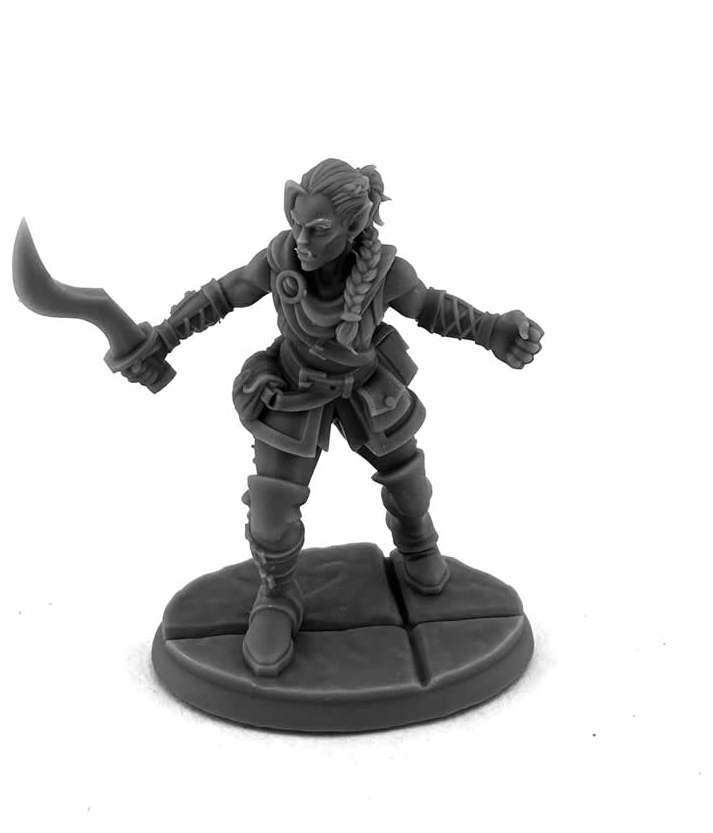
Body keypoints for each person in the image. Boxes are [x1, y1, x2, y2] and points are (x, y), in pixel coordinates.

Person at [118, 159, 543, 676]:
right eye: (297, 224)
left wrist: (493, 330)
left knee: (408, 482)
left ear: (353, 226)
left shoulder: (386, 273)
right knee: (271, 509)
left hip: (366, 387)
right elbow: (222, 296)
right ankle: (278, 595)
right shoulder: (279, 263)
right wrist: (162, 338)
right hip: (294, 390)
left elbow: (432, 308)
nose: (302, 240)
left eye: (317, 230)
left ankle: (417, 545)